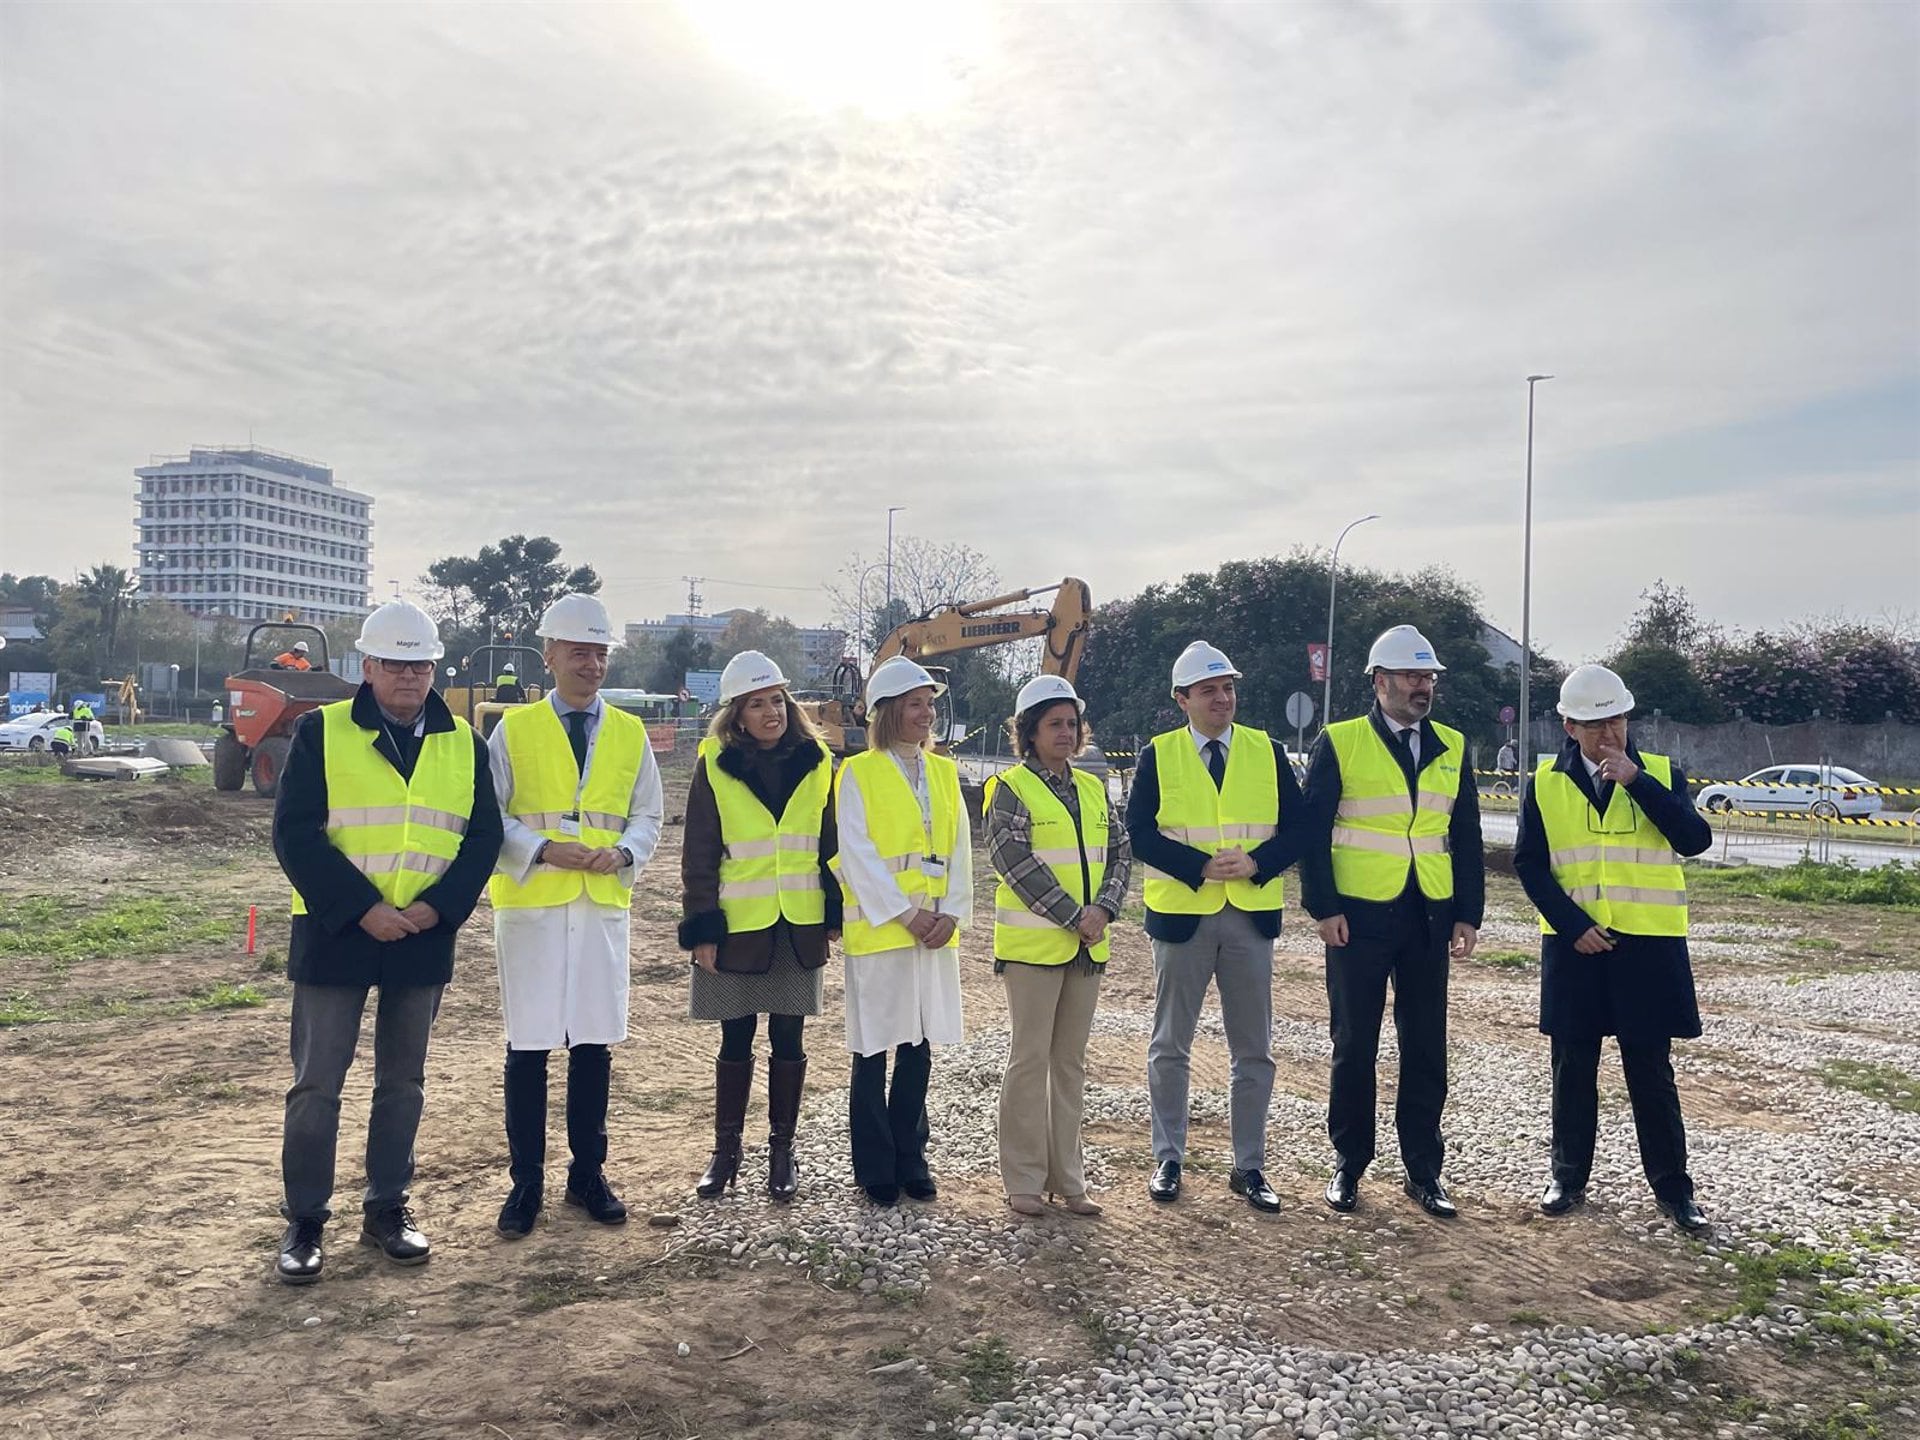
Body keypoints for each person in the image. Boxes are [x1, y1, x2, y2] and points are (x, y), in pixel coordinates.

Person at [271, 600, 503, 1285]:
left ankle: (386, 1210)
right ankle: (306, 1219)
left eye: (421, 664)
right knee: (318, 1082)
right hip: (337, 930)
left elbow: (481, 837)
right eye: (396, 664)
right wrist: (362, 908)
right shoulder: (323, 732)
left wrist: (437, 909)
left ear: (434, 669)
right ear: (367, 667)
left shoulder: (465, 743)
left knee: (402, 1082)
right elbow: (296, 833)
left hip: (421, 937)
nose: (409, 676)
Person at [1513, 664, 1713, 1233]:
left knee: (1650, 1072)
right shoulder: (1546, 783)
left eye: (1619, 719)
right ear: (1569, 726)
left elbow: (1693, 840)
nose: (1610, 733)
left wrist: (1636, 781)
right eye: (1597, 723)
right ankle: (1567, 1177)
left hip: (1648, 947)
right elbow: (1529, 863)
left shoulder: (1658, 773)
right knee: (1573, 1068)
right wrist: (1570, 922)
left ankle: (1675, 1190)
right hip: (1576, 946)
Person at [488, 594, 663, 1238]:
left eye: (600, 653)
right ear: (550, 657)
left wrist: (623, 852)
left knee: (592, 1045)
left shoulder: (628, 732)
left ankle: (588, 1176)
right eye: (580, 653)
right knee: (528, 1047)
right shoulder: (514, 730)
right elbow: (493, 813)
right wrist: (541, 849)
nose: (592, 665)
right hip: (533, 907)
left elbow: (647, 813)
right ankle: (525, 1184)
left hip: (598, 908)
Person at [1301, 624, 1484, 1220]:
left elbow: (1466, 836)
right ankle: (1349, 1164)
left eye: (1427, 677)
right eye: (1410, 676)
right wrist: (1323, 906)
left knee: (1425, 1045)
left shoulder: (1453, 745)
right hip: (1359, 916)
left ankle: (1424, 1171)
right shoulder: (1342, 740)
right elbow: (1314, 831)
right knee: (1355, 1043)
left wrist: (1467, 912)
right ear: (1379, 682)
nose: (1421, 686)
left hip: (1428, 915)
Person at [1125, 642, 1309, 1214]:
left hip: (1250, 916)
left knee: (1254, 1048)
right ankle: (1168, 1158)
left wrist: (1258, 863)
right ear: (1182, 699)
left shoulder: (1267, 750)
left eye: (1228, 687)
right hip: (1182, 917)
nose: (1222, 698)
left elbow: (1301, 829)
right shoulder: (1158, 754)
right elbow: (1141, 831)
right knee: (1170, 1045)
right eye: (1209, 690)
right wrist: (1198, 865)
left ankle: (1249, 1166)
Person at [679, 650, 839, 1204]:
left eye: (776, 700)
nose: (770, 712)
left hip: (798, 923)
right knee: (735, 1037)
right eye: (756, 704)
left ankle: (781, 1150)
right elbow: (698, 850)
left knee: (790, 1038)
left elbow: (830, 842)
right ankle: (725, 1153)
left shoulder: (819, 760)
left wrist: (833, 914)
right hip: (737, 927)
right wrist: (701, 928)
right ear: (736, 715)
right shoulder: (714, 762)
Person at [985, 676, 1131, 1219]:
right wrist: (1077, 915)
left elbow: (1121, 854)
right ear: (1029, 732)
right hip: (1034, 949)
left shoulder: (1094, 787)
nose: (1066, 734)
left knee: (1069, 1064)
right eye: (1054, 725)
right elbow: (1016, 865)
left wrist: (1106, 910)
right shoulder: (1010, 789)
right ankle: (1022, 1178)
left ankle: (1068, 1179)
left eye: (1072, 724)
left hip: (1086, 948)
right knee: (1029, 1060)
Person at [833, 656, 970, 1207]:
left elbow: (960, 846)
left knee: (918, 1044)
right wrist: (906, 914)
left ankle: (913, 1155)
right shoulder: (858, 773)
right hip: (884, 930)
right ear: (889, 711)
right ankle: (874, 1165)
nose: (927, 714)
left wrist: (952, 910)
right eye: (916, 704)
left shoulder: (942, 771)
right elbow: (857, 854)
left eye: (930, 704)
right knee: (873, 1050)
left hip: (933, 930)